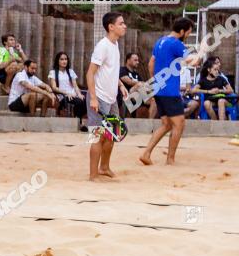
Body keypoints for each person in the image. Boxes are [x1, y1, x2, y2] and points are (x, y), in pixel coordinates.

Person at [139, 17, 204, 166]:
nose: (187, 35)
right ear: (182, 31)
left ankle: (146, 153)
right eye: (188, 32)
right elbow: (193, 61)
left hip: (159, 88)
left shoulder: (160, 41)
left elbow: (151, 64)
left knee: (167, 124)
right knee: (179, 123)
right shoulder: (176, 44)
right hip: (170, 91)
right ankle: (170, 159)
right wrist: (201, 52)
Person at [87, 12, 130, 181]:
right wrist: (93, 98)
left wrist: (120, 85)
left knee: (112, 135)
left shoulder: (115, 44)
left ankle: (104, 167)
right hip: (99, 98)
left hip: (112, 98)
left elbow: (110, 71)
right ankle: (93, 175)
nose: (124, 26)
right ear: (111, 27)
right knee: (96, 137)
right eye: (121, 23)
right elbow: (90, 74)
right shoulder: (102, 46)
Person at [47, 51, 87, 127]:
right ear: (57, 61)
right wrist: (66, 93)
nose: (64, 61)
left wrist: (79, 94)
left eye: (65, 59)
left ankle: (78, 119)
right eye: (61, 59)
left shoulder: (70, 71)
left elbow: (75, 86)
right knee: (79, 102)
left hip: (73, 94)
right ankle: (79, 122)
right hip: (63, 96)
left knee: (86, 99)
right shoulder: (53, 72)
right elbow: (54, 88)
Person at [119, 52, 157, 119]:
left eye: (138, 60)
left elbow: (143, 85)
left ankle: (149, 122)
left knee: (155, 101)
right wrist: (141, 84)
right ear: (128, 60)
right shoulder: (122, 70)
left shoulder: (136, 74)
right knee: (139, 85)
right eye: (135, 60)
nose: (138, 62)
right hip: (127, 94)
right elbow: (128, 81)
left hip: (138, 97)